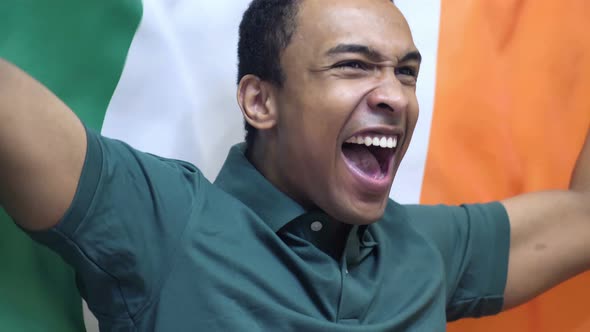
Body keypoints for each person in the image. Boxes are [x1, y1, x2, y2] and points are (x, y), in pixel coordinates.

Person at [0, 0, 588, 330]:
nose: (394, 95)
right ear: (260, 101)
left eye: (405, 72)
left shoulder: (425, 249)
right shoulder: (167, 224)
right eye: (353, 66)